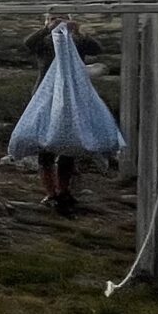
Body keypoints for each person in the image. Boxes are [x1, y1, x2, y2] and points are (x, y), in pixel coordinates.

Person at [21, 12, 102, 214]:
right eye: (52, 19)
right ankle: (51, 193)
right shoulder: (44, 43)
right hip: (44, 99)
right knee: (45, 149)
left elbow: (97, 49)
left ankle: (64, 191)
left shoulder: (76, 42)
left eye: (61, 19)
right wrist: (46, 29)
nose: (58, 23)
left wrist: (78, 31)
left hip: (71, 99)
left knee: (68, 147)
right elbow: (27, 44)